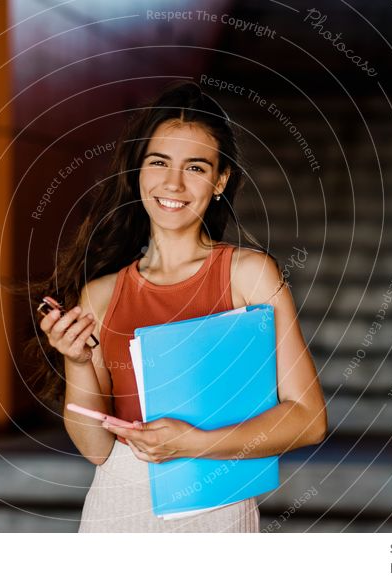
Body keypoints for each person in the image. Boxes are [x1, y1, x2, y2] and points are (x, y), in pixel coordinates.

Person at [29, 80, 327, 532]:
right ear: (139, 173)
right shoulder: (101, 293)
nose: (173, 182)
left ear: (221, 179)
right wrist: (76, 360)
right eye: (159, 162)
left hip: (217, 511)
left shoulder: (249, 275)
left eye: (195, 167)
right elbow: (95, 448)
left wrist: (197, 443)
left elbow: (309, 420)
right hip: (116, 511)